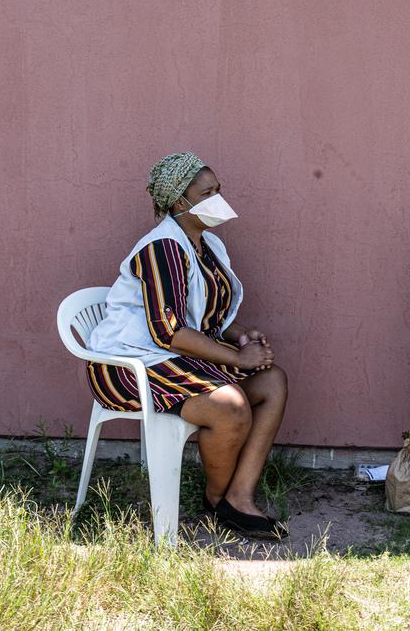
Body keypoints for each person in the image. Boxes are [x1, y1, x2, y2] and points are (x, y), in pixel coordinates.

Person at [86, 152, 288, 540]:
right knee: (231, 407)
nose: (218, 198)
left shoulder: (204, 245)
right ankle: (217, 503)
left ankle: (239, 497)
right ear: (181, 202)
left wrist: (240, 336)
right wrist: (237, 357)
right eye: (207, 192)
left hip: (173, 355)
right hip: (129, 366)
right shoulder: (162, 248)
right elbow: (169, 331)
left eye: (218, 189)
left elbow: (206, 318)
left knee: (272, 382)